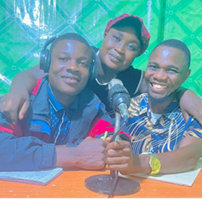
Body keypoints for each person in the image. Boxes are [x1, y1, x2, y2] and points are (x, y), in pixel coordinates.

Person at [0, 14, 202, 123]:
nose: (120, 49)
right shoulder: (79, 59)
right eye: (116, 38)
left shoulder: (134, 79)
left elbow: (163, 83)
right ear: (105, 35)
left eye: (132, 47)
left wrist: (186, 95)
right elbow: (29, 74)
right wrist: (17, 92)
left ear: (138, 55)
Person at [0, 33, 124, 171]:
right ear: (47, 63)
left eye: (83, 63)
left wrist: (118, 147)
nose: (73, 67)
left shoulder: (93, 106)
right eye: (63, 59)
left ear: (91, 72)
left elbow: (115, 136)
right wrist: (72, 155)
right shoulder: (22, 101)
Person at [106, 39, 202, 175]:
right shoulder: (126, 108)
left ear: (185, 76)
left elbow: (190, 157)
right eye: (153, 67)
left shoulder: (193, 113)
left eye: (172, 70)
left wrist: (138, 163)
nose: (159, 76)